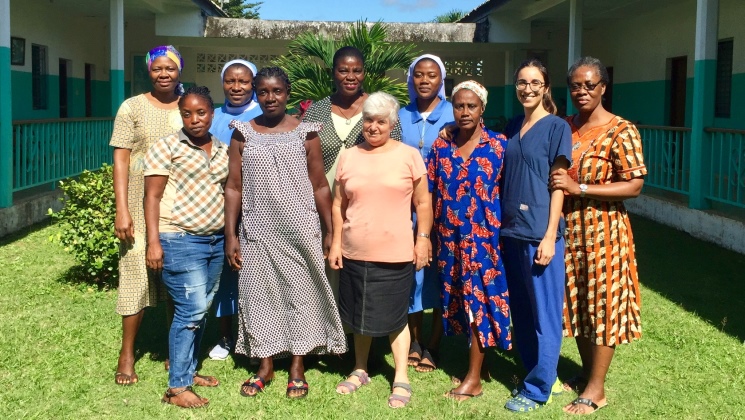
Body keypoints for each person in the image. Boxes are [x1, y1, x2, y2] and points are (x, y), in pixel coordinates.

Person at [223, 67, 347, 399]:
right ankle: (265, 365)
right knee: (259, 295)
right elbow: (233, 187)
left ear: (287, 92)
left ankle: (297, 365)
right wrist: (231, 234)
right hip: (257, 230)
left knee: (301, 295)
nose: (270, 98)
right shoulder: (242, 133)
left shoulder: (307, 132)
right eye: (263, 92)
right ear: (255, 94)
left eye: (276, 91)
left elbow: (321, 185)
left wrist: (329, 231)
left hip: (300, 230)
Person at [550, 56, 645, 415]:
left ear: (603, 87)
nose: (582, 91)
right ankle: (589, 372)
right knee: (577, 305)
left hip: (604, 231)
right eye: (576, 85)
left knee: (603, 305)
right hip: (568, 231)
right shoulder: (565, 126)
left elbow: (634, 184)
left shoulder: (622, 130)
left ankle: (596, 390)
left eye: (589, 84)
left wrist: (581, 187)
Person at [328, 92, 432, 409]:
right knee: (359, 312)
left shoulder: (409, 155)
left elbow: (423, 203)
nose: (374, 127)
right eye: (369, 120)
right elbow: (337, 204)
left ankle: (401, 375)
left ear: (392, 124)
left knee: (395, 315)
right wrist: (335, 242)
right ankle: (360, 368)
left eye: (381, 122)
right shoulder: (348, 156)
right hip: (354, 250)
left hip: (396, 252)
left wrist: (423, 238)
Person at [428, 80, 512, 401]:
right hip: (448, 240)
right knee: (460, 301)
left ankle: (473, 378)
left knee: (479, 299)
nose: (464, 112)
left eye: (471, 106)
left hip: (484, 241)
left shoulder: (498, 146)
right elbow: (431, 192)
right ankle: (482, 364)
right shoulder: (441, 147)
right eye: (459, 106)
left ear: (483, 109)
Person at [143, 86, 227, 408]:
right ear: (180, 115)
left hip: (215, 240)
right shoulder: (166, 147)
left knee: (201, 308)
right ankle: (177, 388)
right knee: (190, 310)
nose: (194, 119)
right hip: (179, 238)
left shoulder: (220, 148)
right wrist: (153, 242)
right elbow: (151, 196)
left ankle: (188, 371)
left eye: (201, 112)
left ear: (212, 112)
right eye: (187, 113)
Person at [500, 59, 572, 412]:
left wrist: (549, 236)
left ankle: (537, 389)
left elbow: (558, 185)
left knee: (544, 315)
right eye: (521, 82)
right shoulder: (515, 126)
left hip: (540, 236)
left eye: (534, 82)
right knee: (523, 311)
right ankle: (539, 370)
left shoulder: (558, 127)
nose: (527, 88)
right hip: (511, 232)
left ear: (546, 88)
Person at [109, 45, 184, 386]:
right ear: (148, 71)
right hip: (138, 202)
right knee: (135, 271)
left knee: (176, 273)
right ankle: (127, 354)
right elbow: (121, 159)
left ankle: (176, 350)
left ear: (179, 70)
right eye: (157, 68)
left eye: (170, 67)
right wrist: (121, 208)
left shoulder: (189, 106)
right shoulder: (131, 107)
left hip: (178, 202)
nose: (164, 73)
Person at [303, 46, 402, 301]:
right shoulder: (317, 110)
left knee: (359, 268)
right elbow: (304, 158)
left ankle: (357, 329)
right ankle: (329, 330)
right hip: (322, 204)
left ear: (364, 73)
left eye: (357, 71)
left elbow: (395, 153)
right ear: (333, 73)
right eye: (343, 70)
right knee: (325, 266)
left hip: (365, 204)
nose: (350, 76)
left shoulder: (378, 108)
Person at [399, 54, 453, 373]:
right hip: (407, 209)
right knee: (412, 276)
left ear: (440, 80)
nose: (424, 80)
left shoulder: (453, 112)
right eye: (418, 74)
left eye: (431, 75)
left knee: (440, 275)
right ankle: (415, 341)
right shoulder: (400, 115)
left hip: (445, 209)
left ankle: (434, 343)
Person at [207, 59, 262, 361]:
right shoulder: (212, 116)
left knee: (254, 275)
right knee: (226, 274)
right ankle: (226, 335)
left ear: (253, 83)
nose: (236, 87)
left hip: (256, 207)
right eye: (230, 81)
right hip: (219, 206)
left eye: (243, 81)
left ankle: (254, 335)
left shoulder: (262, 116)